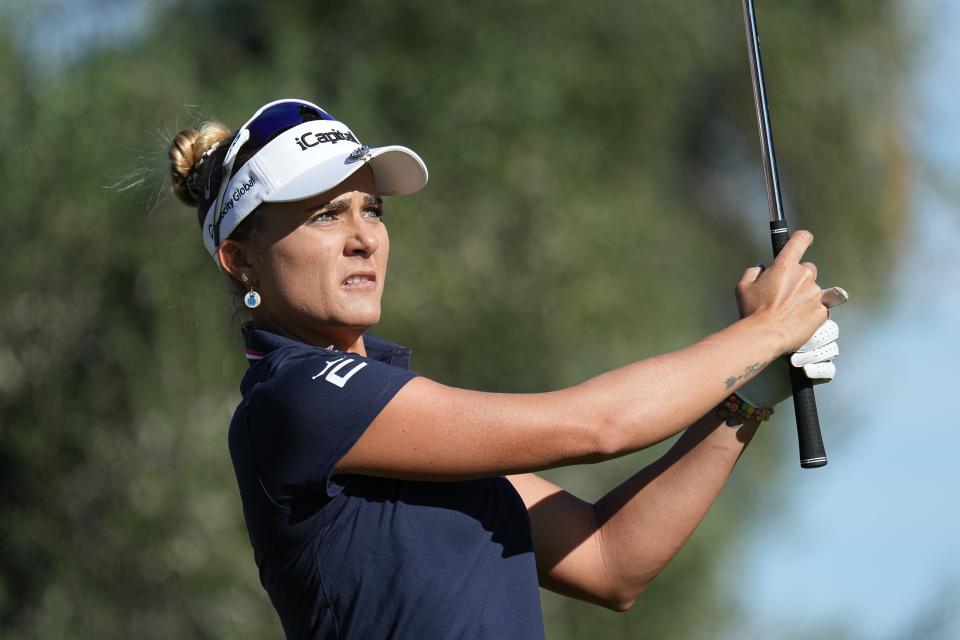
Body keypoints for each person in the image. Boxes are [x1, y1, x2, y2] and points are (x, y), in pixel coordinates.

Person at [167, 98, 845, 639]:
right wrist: (764, 332)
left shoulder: (397, 415)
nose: (364, 237)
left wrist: (747, 396)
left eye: (372, 209)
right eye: (325, 215)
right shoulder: (298, 399)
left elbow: (611, 561)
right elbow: (597, 426)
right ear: (241, 258)